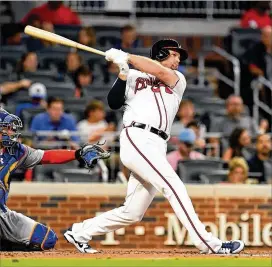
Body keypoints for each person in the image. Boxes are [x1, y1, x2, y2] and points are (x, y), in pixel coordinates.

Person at [64, 39, 244, 254]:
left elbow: (160, 73)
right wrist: (123, 72)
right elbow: (113, 102)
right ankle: (209, 244)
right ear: (160, 54)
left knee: (132, 212)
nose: (178, 59)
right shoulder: (133, 75)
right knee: (174, 186)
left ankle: (79, 232)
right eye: (174, 54)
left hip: (158, 143)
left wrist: (127, 56)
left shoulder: (178, 79)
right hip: (137, 136)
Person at [0, 108, 109, 251]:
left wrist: (78, 154)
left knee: (46, 239)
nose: (11, 133)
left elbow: (46, 156)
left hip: (2, 214)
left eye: (11, 129)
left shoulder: (16, 150)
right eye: (6, 129)